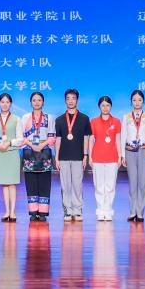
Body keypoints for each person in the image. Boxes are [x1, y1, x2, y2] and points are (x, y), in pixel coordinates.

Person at [54, 88, 92, 222]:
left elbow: (86, 138)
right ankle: (67, 211)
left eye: (73, 98)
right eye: (68, 98)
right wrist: (56, 157)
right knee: (65, 185)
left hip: (78, 156)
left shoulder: (84, 118)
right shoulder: (59, 120)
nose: (70, 101)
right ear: (65, 101)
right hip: (63, 157)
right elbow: (58, 139)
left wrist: (85, 155)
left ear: (77, 100)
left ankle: (77, 210)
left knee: (77, 184)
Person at [20, 91, 56, 221]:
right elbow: (21, 136)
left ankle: (43, 213)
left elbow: (52, 136)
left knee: (45, 183)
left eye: (39, 100)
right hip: (29, 152)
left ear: (43, 102)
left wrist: (41, 145)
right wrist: (32, 145)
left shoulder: (49, 118)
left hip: (44, 152)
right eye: (34, 100)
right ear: (30, 102)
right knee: (30, 183)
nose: (37, 102)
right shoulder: (25, 118)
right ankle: (33, 212)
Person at [122, 89, 145, 222]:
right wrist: (123, 155)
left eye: (139, 100)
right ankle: (132, 211)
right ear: (131, 102)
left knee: (142, 182)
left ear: (143, 101)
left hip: (144, 151)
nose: (137, 102)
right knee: (132, 182)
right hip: (130, 151)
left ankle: (140, 211)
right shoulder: (126, 117)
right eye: (134, 100)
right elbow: (123, 136)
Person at [0, 93, 24, 222]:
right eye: (2, 102)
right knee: (4, 183)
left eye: (7, 102)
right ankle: (6, 211)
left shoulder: (17, 119)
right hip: (0, 153)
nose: (5, 104)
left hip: (12, 153)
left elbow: (20, 139)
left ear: (11, 104)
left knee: (12, 183)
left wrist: (9, 143)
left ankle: (13, 211)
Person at [89, 96, 122, 222]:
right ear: (99, 107)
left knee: (110, 186)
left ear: (111, 106)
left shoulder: (116, 121)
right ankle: (100, 211)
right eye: (103, 105)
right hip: (97, 157)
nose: (105, 108)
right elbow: (91, 140)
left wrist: (120, 156)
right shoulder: (94, 121)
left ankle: (108, 211)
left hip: (112, 157)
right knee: (99, 186)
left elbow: (118, 140)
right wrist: (90, 156)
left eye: (107, 105)